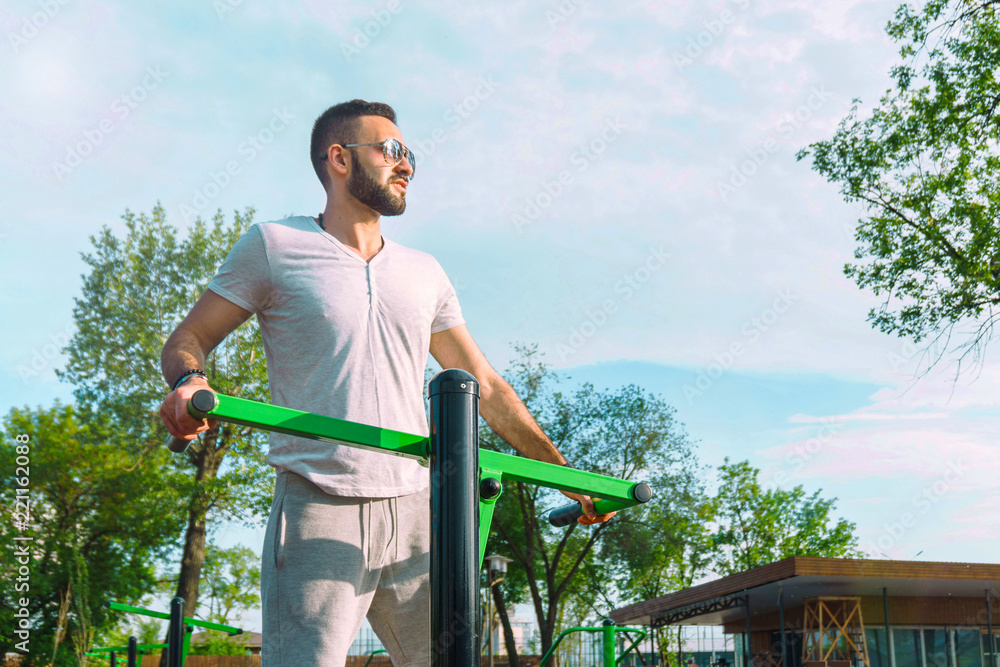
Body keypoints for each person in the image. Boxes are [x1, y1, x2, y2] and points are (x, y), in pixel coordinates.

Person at [158, 99, 614, 667]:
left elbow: (487, 386)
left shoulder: (425, 272)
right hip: (318, 500)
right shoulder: (274, 246)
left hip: (419, 509)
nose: (407, 166)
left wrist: (562, 474)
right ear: (339, 158)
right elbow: (188, 337)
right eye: (392, 150)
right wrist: (190, 381)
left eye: (411, 155)